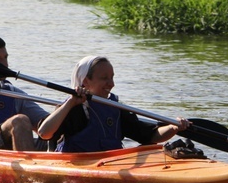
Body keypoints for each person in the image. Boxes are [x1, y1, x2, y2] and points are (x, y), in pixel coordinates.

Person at [38, 55, 190, 152]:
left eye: (112, 77)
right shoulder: (74, 108)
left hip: (109, 164)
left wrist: (173, 127)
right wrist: (71, 103)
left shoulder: (116, 109)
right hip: (77, 165)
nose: (111, 84)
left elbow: (150, 136)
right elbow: (44, 133)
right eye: (104, 78)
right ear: (86, 81)